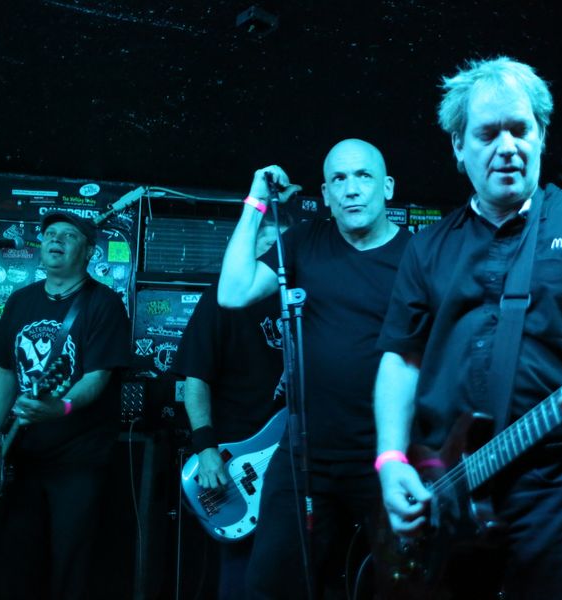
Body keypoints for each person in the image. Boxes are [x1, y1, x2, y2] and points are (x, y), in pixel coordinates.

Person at [374, 57, 562, 599]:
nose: (507, 146)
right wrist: (391, 460)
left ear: (542, 135)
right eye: (488, 133)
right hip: (444, 484)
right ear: (458, 146)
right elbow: (401, 358)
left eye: (520, 129)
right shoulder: (427, 247)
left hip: (561, 486)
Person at [217, 138, 411, 599]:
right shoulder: (305, 241)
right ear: (325, 194)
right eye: (338, 179)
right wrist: (255, 202)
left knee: (399, 584)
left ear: (387, 187)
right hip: (307, 454)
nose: (351, 189)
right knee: (271, 585)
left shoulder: (418, 254)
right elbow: (233, 292)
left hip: (387, 454)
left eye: (363, 176)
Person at [0, 211, 131, 600]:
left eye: (69, 236)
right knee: (18, 563)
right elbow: (6, 372)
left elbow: (97, 377)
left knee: (70, 566)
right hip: (23, 458)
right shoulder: (21, 300)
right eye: (50, 233)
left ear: (88, 252)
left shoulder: (104, 303)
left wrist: (62, 408)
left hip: (79, 460)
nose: (56, 239)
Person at [172, 216, 291, 600]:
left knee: (291, 565)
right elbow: (196, 380)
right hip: (237, 456)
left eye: (282, 250)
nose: (274, 259)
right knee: (240, 570)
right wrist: (206, 448)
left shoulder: (302, 302)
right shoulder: (221, 298)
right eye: (267, 248)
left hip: (292, 454)